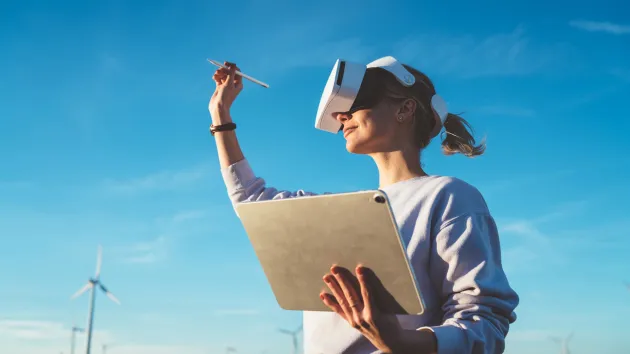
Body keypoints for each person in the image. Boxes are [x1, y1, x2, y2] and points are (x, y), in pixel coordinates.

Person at [208, 58, 519, 354]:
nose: (343, 116)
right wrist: (221, 114)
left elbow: (485, 321)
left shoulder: (447, 196)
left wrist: (401, 343)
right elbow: (251, 201)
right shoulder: (336, 213)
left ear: (405, 109)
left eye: (357, 102)